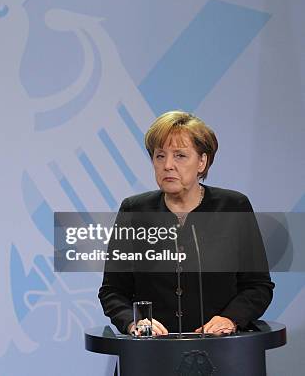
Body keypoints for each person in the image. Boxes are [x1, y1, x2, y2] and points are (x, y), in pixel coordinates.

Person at [99, 111, 274, 336]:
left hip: (221, 351)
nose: (168, 165)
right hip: (151, 354)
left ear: (202, 161)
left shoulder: (233, 206)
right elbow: (112, 291)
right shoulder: (134, 211)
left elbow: (258, 286)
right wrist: (134, 323)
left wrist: (230, 319)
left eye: (180, 155)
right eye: (160, 156)